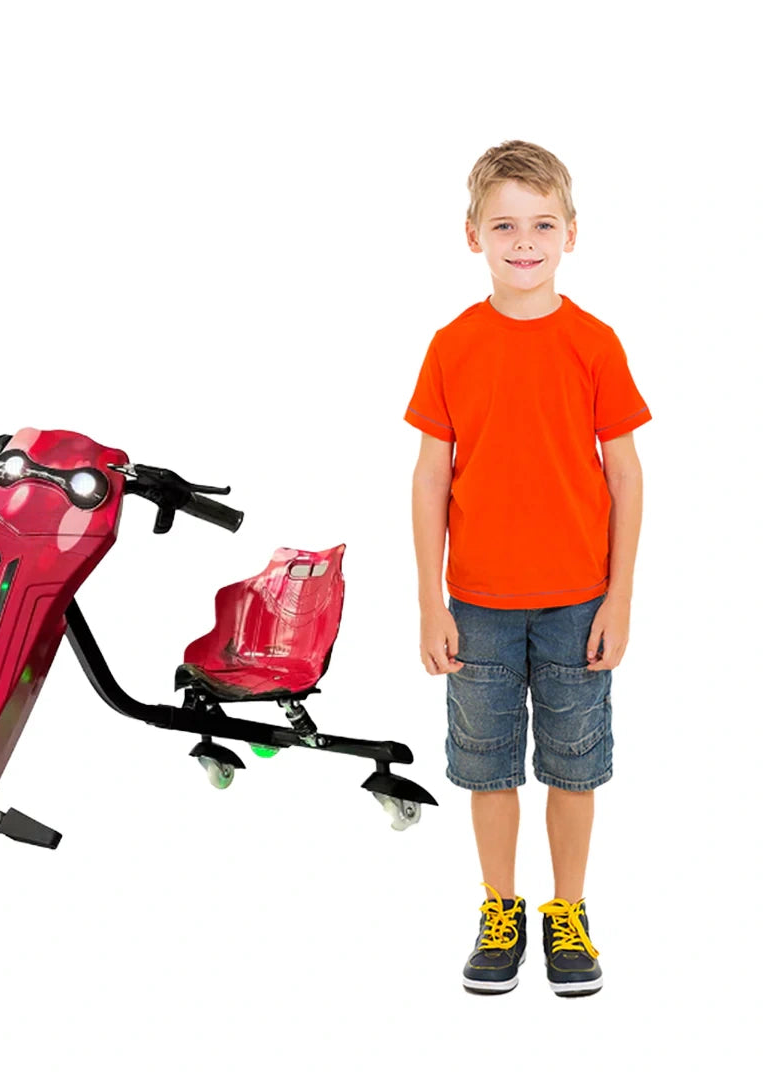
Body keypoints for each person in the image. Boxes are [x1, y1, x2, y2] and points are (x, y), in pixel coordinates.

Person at [405, 140, 651, 996]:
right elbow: (432, 474)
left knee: (575, 765)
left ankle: (568, 913)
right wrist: (431, 602)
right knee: (486, 765)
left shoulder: (594, 343)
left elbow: (624, 472)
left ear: (571, 234)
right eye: (504, 223)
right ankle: (499, 909)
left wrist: (620, 597)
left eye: (542, 223)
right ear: (472, 235)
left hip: (578, 603)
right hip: (475, 605)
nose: (524, 239)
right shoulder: (452, 345)